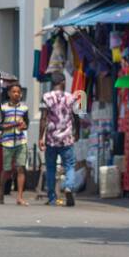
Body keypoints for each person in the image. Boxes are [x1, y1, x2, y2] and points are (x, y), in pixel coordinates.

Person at [39, 75, 83, 207]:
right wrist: (77, 133)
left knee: (51, 168)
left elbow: (43, 118)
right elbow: (76, 118)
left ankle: (52, 198)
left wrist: (40, 137)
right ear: (63, 82)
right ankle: (69, 187)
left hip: (51, 138)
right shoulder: (72, 97)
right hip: (67, 138)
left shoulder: (46, 97)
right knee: (69, 165)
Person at [0, 83, 30, 205]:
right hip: (7, 142)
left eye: (18, 92)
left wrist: (23, 126)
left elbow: (27, 124)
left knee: (20, 168)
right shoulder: (4, 108)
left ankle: (20, 197)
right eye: (14, 91)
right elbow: (0, 126)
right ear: (9, 93)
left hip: (21, 141)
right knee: (6, 170)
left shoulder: (24, 108)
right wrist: (13, 125)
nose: (16, 94)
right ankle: (1, 192)